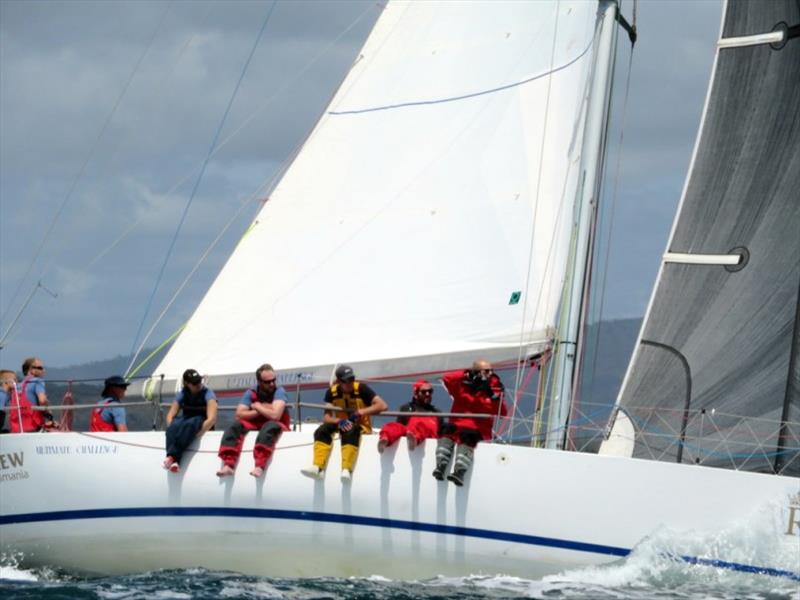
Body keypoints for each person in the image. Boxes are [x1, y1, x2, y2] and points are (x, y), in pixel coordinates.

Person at [301, 364, 387, 483]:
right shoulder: (331, 392)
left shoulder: (362, 389)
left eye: (352, 379)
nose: (350, 383)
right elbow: (326, 417)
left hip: (361, 426)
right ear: (339, 382)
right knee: (322, 430)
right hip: (341, 424)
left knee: (350, 430)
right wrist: (338, 421)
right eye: (347, 381)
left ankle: (346, 470)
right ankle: (317, 467)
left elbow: (382, 405)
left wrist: (360, 412)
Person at [433, 359, 508, 486]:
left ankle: (459, 472)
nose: (490, 373)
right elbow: (447, 379)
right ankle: (440, 466)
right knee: (446, 430)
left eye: (491, 371)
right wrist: (466, 374)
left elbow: (503, 412)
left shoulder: (495, 389)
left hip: (478, 431)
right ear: (477, 372)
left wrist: (490, 394)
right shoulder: (462, 386)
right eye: (486, 371)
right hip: (457, 426)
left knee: (467, 435)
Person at [216, 363, 291, 478]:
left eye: (274, 380)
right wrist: (261, 409)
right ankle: (228, 464)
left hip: (276, 424)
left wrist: (257, 406)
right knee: (235, 426)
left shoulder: (279, 391)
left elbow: (275, 416)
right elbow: (239, 414)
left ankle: (260, 465)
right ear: (259, 382)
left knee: (269, 425)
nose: (272, 384)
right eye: (267, 382)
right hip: (256, 423)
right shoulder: (251, 393)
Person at [163, 369, 217, 473]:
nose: (198, 384)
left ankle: (171, 456)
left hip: (200, 421)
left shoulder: (208, 394)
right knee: (174, 425)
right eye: (194, 383)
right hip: (186, 421)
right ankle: (174, 461)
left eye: (199, 381)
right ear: (187, 384)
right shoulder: (183, 393)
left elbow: (212, 419)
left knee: (191, 424)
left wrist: (197, 433)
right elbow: (170, 415)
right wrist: (172, 429)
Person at [377, 379, 441, 452]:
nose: (427, 394)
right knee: (395, 426)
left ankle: (415, 439)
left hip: (427, 440)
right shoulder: (407, 408)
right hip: (408, 434)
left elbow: (441, 433)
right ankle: (385, 439)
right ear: (416, 394)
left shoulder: (437, 413)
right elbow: (400, 426)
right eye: (423, 392)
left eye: (430, 391)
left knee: (421, 427)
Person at [8, 357, 55, 433]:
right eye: (40, 368)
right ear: (31, 370)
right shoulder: (37, 381)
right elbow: (42, 401)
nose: (43, 370)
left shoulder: (17, 386)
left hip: (16, 429)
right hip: (34, 427)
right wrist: (50, 415)